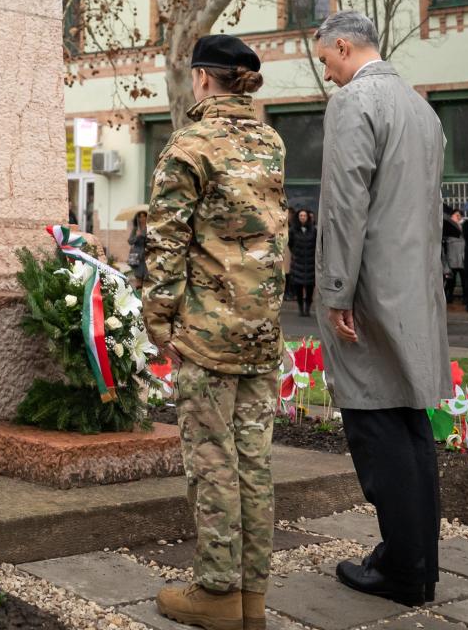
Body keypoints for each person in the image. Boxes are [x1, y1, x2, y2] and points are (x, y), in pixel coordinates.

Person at [145, 34, 287, 630]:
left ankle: (218, 591)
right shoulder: (272, 142)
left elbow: (167, 242)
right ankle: (253, 598)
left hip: (207, 334)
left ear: (203, 79)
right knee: (255, 461)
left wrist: (158, 317)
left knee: (212, 461)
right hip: (261, 331)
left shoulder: (190, 145)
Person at [311, 11, 452, 608]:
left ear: (343, 47)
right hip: (413, 289)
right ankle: (415, 562)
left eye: (325, 61)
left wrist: (336, 290)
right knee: (411, 426)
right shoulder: (421, 108)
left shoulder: (353, 103)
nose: (327, 74)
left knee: (375, 427)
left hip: (368, 293)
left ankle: (401, 568)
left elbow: (346, 203)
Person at [288, 209, 318, 317]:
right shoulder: (293, 230)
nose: (303, 217)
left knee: (310, 287)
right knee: (298, 286)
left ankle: (308, 308)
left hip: (310, 262)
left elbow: (316, 244)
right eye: (301, 215)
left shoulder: (313, 230)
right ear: (298, 217)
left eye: (304, 215)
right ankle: (300, 308)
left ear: (308, 217)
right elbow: (290, 244)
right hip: (298, 262)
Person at [442, 208, 465, 304]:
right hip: (451, 259)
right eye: (456, 215)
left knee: (465, 280)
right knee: (451, 280)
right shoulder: (447, 228)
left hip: (463, 258)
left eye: (459, 216)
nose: (458, 217)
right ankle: (448, 296)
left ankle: (466, 297)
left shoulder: (464, 227)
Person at [128, 211, 151, 287]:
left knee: (147, 277)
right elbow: (130, 241)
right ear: (137, 218)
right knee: (138, 278)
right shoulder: (136, 229)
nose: (142, 218)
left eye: (144, 216)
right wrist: (137, 236)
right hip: (137, 256)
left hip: (147, 255)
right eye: (140, 217)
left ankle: (144, 295)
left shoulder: (150, 228)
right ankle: (138, 295)